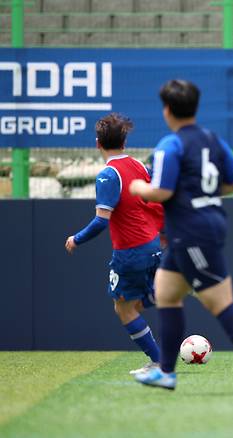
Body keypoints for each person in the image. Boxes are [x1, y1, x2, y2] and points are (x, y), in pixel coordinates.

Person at [129, 79, 233, 395]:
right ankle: (166, 372)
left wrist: (137, 188)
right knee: (166, 294)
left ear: (167, 110)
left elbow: (162, 191)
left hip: (191, 231)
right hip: (200, 226)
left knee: (221, 303)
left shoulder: (171, 144)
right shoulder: (213, 139)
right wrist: (204, 192)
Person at [65, 113, 163, 374]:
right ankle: (168, 289)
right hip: (153, 246)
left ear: (97, 143)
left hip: (130, 251)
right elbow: (159, 195)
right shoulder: (140, 166)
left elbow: (101, 221)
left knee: (122, 308)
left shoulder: (108, 175)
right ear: (125, 141)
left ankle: (158, 361)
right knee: (136, 304)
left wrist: (76, 238)